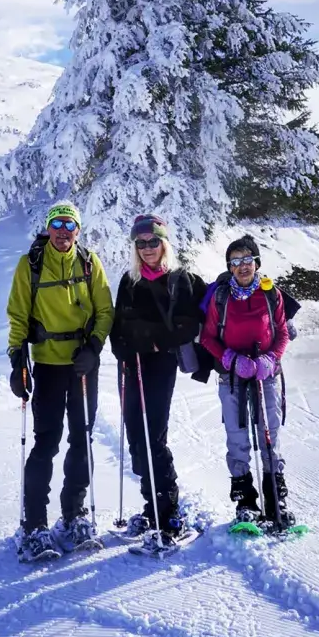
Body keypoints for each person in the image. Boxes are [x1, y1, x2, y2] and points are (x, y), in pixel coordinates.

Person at [6, 200, 114, 561]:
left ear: (78, 230)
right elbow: (17, 315)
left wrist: (94, 347)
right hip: (49, 364)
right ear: (48, 228)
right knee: (46, 442)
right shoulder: (31, 265)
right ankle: (35, 523)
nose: (63, 231)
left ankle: (74, 514)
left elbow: (105, 310)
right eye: (57, 223)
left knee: (82, 438)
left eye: (70, 225)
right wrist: (17, 361)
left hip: (83, 365)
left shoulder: (89, 262)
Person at [108, 214, 208, 546]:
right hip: (131, 365)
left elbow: (188, 325)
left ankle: (170, 514)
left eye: (153, 241)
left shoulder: (180, 280)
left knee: (153, 437)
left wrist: (152, 342)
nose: (147, 248)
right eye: (141, 243)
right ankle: (151, 508)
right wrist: (121, 349)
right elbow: (117, 325)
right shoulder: (129, 280)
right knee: (136, 436)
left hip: (159, 366)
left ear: (164, 243)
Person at [199, 235, 296, 533]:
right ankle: (246, 503)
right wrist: (229, 358)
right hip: (232, 376)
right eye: (235, 261)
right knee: (237, 437)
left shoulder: (271, 294)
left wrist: (271, 358)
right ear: (229, 266)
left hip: (266, 374)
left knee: (269, 434)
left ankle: (276, 500)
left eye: (247, 259)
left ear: (256, 263)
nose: (242, 266)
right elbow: (207, 337)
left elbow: (282, 332)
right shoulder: (221, 297)